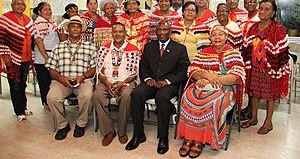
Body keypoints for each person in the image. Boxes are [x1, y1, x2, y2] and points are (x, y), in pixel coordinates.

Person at [177, 25, 245, 158]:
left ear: (226, 37)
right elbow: (193, 71)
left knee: (212, 103)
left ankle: (201, 141)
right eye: (214, 35)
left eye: (221, 34)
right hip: (203, 86)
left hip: (225, 89)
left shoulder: (234, 53)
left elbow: (237, 77)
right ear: (210, 38)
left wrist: (211, 80)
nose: (217, 37)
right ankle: (189, 138)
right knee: (188, 97)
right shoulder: (203, 52)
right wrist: (206, 76)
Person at [125, 20, 189, 154]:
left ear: (170, 32)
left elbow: (184, 71)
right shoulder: (149, 46)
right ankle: (138, 134)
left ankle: (163, 137)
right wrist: (148, 79)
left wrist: (167, 81)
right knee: (137, 93)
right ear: (156, 31)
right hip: (151, 82)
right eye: (159, 30)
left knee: (162, 97)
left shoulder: (180, 48)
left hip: (169, 85)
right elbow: (143, 66)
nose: (161, 33)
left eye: (165, 30)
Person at [241, 0, 289, 135]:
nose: (262, 11)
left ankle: (268, 121)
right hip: (254, 68)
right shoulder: (253, 28)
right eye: (261, 8)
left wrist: (272, 70)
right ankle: (254, 118)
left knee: (270, 95)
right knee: (254, 93)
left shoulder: (278, 29)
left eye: (267, 9)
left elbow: (282, 52)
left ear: (273, 12)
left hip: (270, 70)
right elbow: (246, 47)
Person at [46, 15, 97, 140]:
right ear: (68, 30)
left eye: (78, 27)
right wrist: (62, 79)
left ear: (81, 30)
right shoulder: (58, 47)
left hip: (83, 80)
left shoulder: (90, 47)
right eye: (72, 26)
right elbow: (52, 70)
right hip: (61, 81)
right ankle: (63, 125)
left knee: (87, 95)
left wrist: (82, 77)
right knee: (52, 97)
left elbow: (93, 69)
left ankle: (81, 124)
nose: (75, 29)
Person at [92, 22, 140, 146]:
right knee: (97, 95)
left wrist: (121, 83)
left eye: (120, 32)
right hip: (107, 82)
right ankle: (108, 131)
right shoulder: (104, 48)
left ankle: (121, 131)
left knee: (127, 95)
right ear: (111, 34)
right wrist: (107, 83)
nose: (118, 34)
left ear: (125, 34)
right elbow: (99, 71)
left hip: (125, 82)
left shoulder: (133, 49)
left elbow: (134, 72)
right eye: (115, 32)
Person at [0, 0, 35, 122]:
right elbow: (1, 39)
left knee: (22, 84)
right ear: (12, 5)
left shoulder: (28, 19)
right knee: (14, 84)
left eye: (22, 4)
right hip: (12, 57)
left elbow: (31, 38)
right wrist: (5, 55)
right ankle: (19, 111)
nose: (20, 6)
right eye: (17, 4)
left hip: (25, 57)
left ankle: (24, 107)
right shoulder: (4, 19)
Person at [32, 2, 60, 110]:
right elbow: (38, 41)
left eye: (50, 9)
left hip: (52, 55)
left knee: (51, 80)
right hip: (43, 58)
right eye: (45, 9)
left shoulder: (49, 23)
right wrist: (46, 57)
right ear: (39, 12)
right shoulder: (39, 23)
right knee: (45, 81)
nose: (48, 11)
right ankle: (47, 103)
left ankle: (51, 101)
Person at [239, 0, 260, 121]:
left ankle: (253, 113)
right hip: (244, 53)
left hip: (256, 54)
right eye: (247, 2)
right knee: (248, 82)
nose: (249, 4)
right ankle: (248, 108)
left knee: (254, 83)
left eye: (252, 2)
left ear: (256, 3)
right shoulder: (243, 16)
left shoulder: (260, 17)